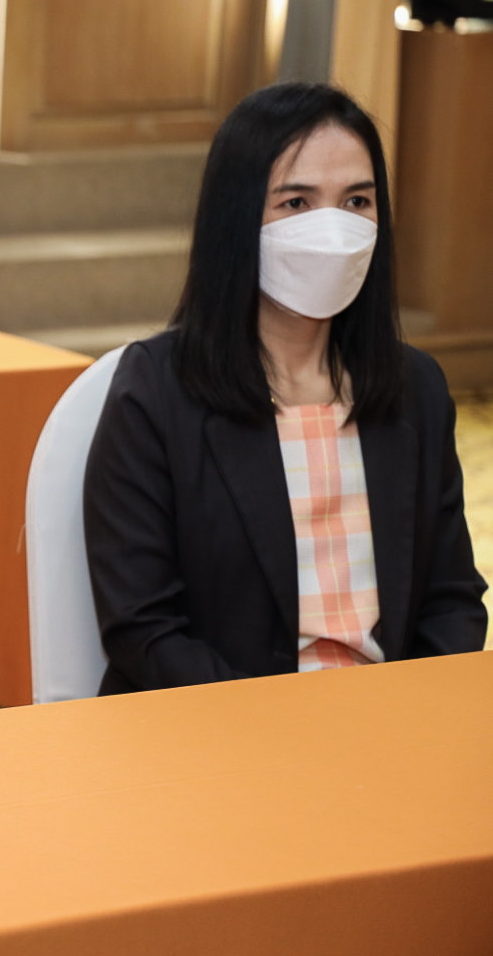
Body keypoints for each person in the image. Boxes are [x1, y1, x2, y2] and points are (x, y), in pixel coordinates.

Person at [83, 82, 487, 695]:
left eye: (357, 201)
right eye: (297, 203)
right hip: (217, 726)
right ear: (237, 218)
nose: (333, 230)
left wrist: (408, 711)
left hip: (386, 722)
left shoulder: (415, 387)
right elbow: (144, 631)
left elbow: (452, 600)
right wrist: (279, 729)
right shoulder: (154, 392)